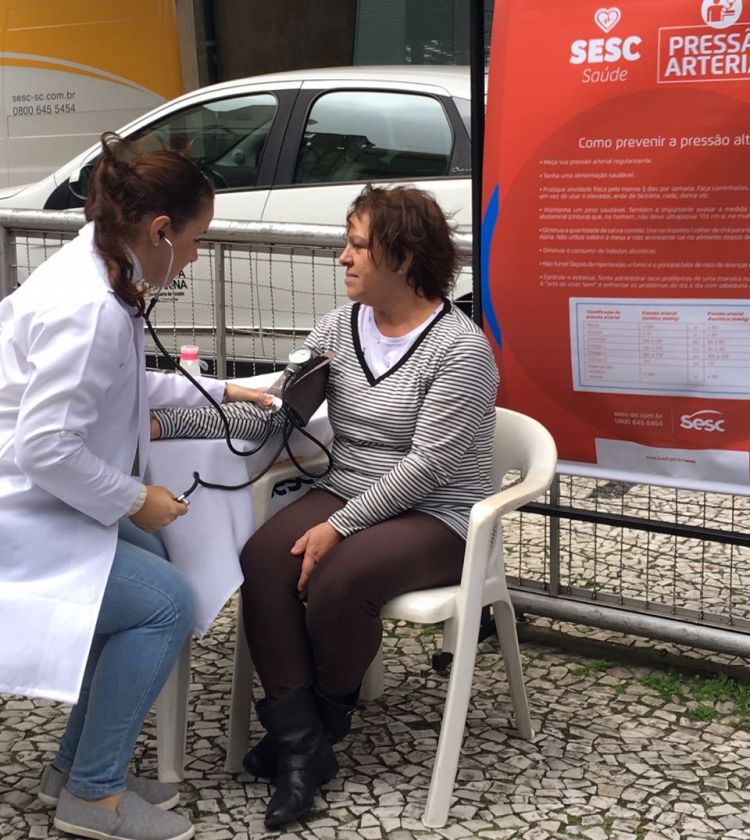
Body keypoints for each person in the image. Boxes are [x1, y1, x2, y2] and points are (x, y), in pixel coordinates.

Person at [151, 185, 499, 830]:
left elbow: (431, 465)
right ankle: (302, 743)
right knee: (264, 558)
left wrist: (337, 527)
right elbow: (273, 420)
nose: (343, 257)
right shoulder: (339, 328)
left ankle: (315, 728)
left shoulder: (461, 348)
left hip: (439, 514)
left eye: (358, 246)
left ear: (403, 257)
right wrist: (162, 423)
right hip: (349, 489)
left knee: (340, 579)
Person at [0, 134, 270, 840]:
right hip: (21, 509)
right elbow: (43, 447)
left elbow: (120, 384)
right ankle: (94, 797)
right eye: (197, 240)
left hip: (48, 496)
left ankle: (73, 769)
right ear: (160, 231)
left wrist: (223, 388)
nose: (197, 256)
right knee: (165, 604)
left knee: (150, 571)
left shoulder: (100, 270)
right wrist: (135, 499)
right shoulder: (88, 306)